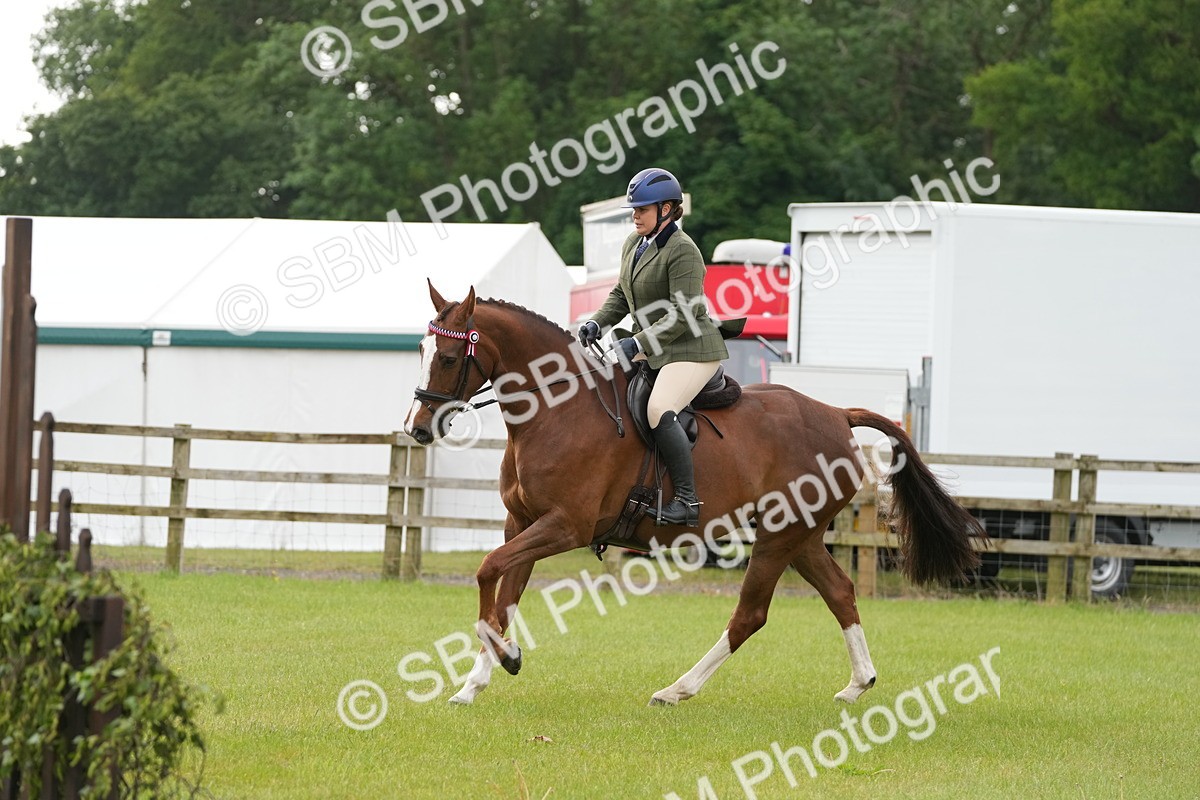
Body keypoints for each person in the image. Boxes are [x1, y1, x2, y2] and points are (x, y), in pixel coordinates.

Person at [577, 167, 738, 527]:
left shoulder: (684, 251)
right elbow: (622, 294)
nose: (635, 216)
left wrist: (638, 341)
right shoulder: (634, 244)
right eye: (634, 209)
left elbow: (687, 312)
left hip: (691, 349)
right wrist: (597, 322)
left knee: (659, 408)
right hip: (655, 349)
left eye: (643, 209)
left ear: (666, 209)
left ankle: (687, 500)